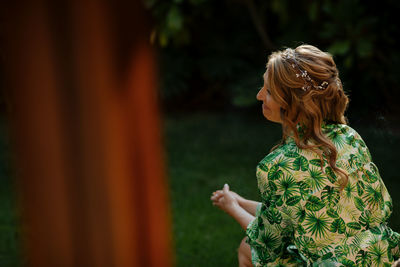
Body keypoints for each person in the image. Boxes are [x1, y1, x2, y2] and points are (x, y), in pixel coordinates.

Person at [210, 44, 400, 266]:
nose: (259, 95)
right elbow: (307, 212)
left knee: (247, 249)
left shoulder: (278, 165)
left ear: (296, 104)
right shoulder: (349, 136)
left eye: (269, 91)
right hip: (381, 255)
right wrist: (241, 201)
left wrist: (232, 208)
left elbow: (268, 246)